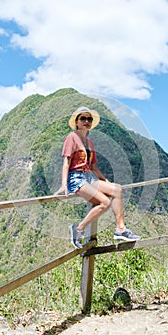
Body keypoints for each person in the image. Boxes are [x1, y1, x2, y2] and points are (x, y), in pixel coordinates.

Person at [55, 106, 140, 249]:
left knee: (117, 189)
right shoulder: (72, 138)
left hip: (89, 177)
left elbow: (93, 167)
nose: (86, 121)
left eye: (89, 119)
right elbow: (66, 163)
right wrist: (64, 184)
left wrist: (105, 181)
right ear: (77, 121)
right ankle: (78, 229)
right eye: (83, 118)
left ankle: (120, 229)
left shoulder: (89, 142)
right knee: (105, 202)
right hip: (76, 178)